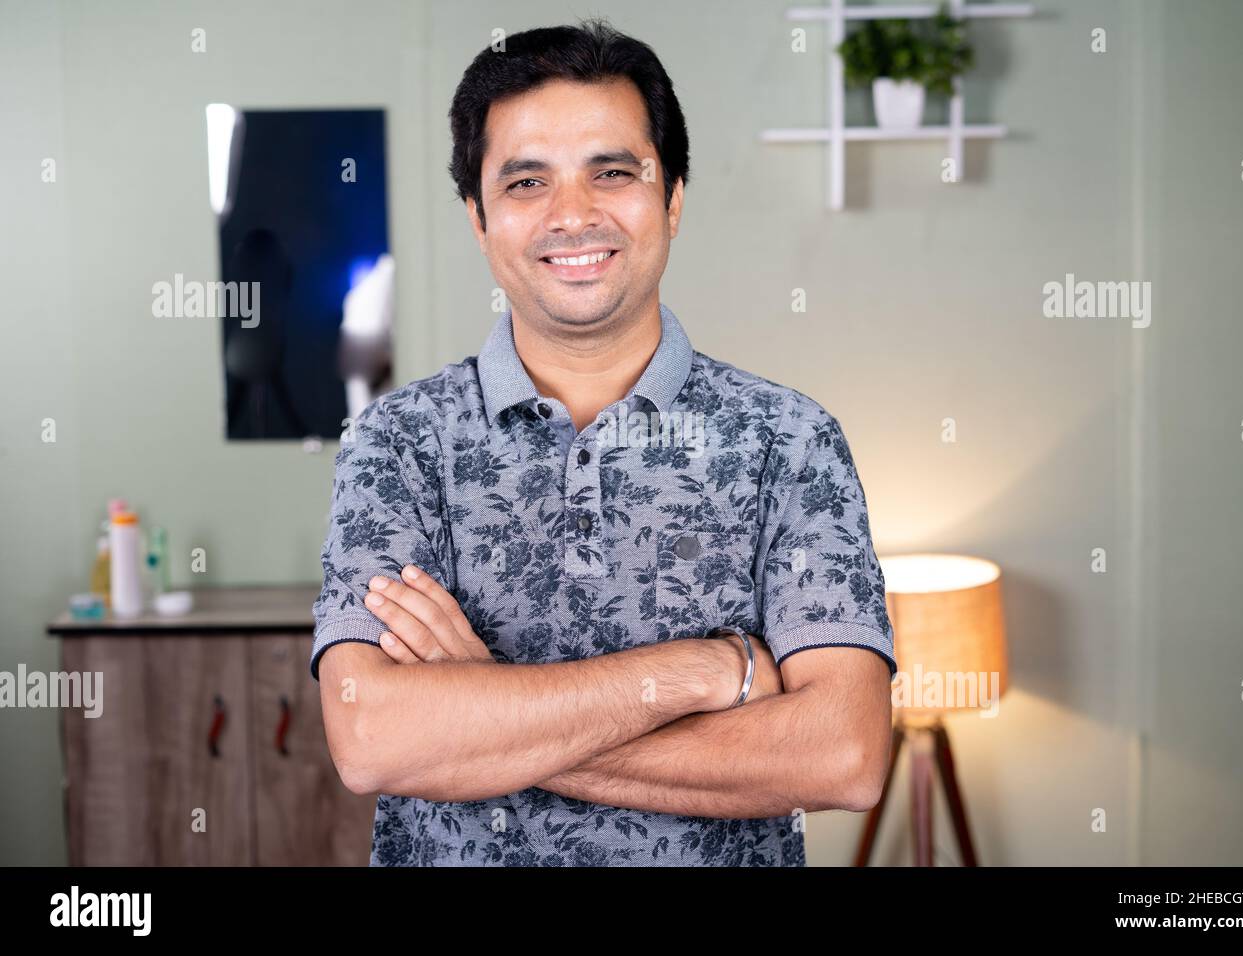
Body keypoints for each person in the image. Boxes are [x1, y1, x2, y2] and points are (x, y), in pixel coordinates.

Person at [310, 17, 896, 867]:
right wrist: (703, 673)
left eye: (612, 172)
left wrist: (485, 715)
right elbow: (371, 737)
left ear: (673, 197)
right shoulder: (395, 445)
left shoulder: (790, 442)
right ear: (478, 218)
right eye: (525, 183)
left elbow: (844, 754)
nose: (573, 214)